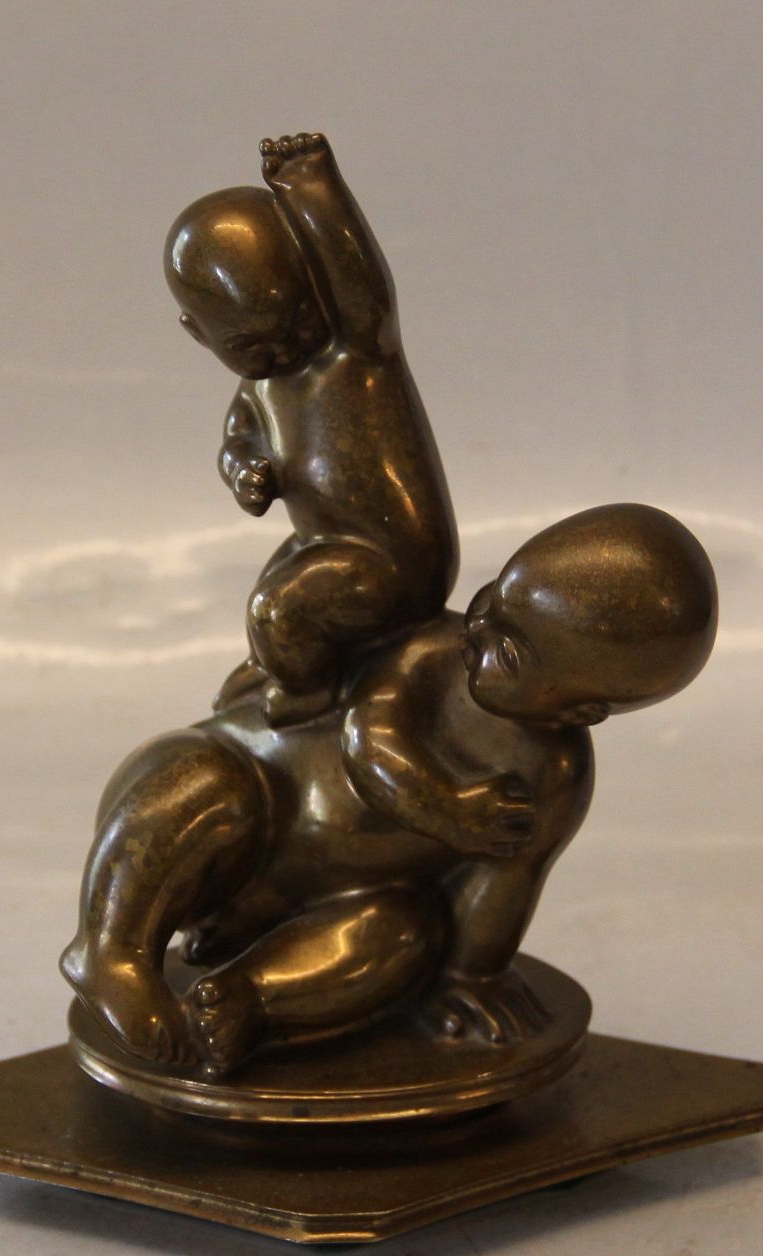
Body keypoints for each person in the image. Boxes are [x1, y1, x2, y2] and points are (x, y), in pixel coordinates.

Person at [61, 504, 717, 1077]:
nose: (478, 630)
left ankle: (247, 999)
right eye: (490, 598)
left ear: (580, 710)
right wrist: (450, 809)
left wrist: (471, 974)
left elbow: (507, 881)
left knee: (406, 936)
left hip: (336, 895)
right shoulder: (432, 654)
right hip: (253, 799)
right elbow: (368, 742)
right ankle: (112, 947)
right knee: (200, 783)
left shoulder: (555, 781)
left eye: (511, 652)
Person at [165, 132, 458, 727]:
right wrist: (245, 473)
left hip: (395, 562)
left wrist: (313, 188)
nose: (282, 350)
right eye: (250, 346)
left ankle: (308, 696)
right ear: (200, 335)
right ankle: (279, 664)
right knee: (269, 597)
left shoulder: (353, 356)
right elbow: (236, 446)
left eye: (296, 322)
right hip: (326, 542)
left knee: (278, 609)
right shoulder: (259, 394)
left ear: (317, 290)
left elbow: (365, 289)